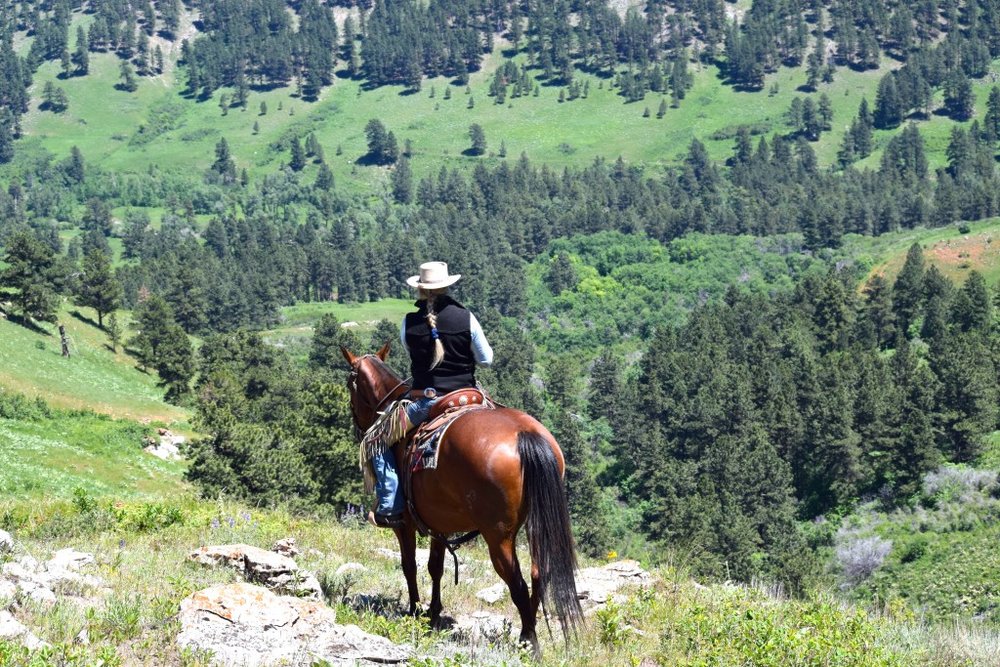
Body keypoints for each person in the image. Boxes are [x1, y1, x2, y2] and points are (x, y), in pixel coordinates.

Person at [369, 261, 493, 528]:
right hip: (469, 398)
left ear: (420, 290)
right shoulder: (466, 318)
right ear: (448, 286)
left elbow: (413, 353)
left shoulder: (409, 323)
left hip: (427, 403)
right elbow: (486, 360)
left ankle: (390, 505)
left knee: (375, 440)